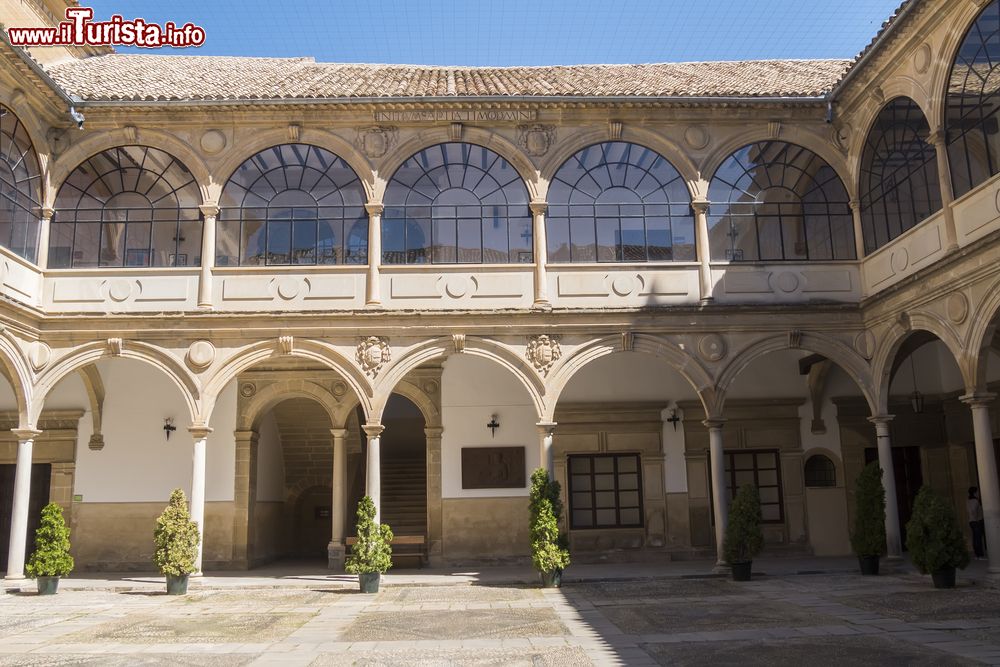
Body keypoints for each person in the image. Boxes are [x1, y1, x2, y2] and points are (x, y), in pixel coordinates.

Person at [968, 486, 986, 560]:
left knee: (975, 538)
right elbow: (973, 511)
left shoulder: (968, 501)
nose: (978, 493)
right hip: (976, 521)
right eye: (977, 492)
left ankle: (977, 555)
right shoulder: (975, 501)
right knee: (978, 538)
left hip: (971, 521)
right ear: (975, 493)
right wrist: (977, 519)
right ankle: (980, 555)